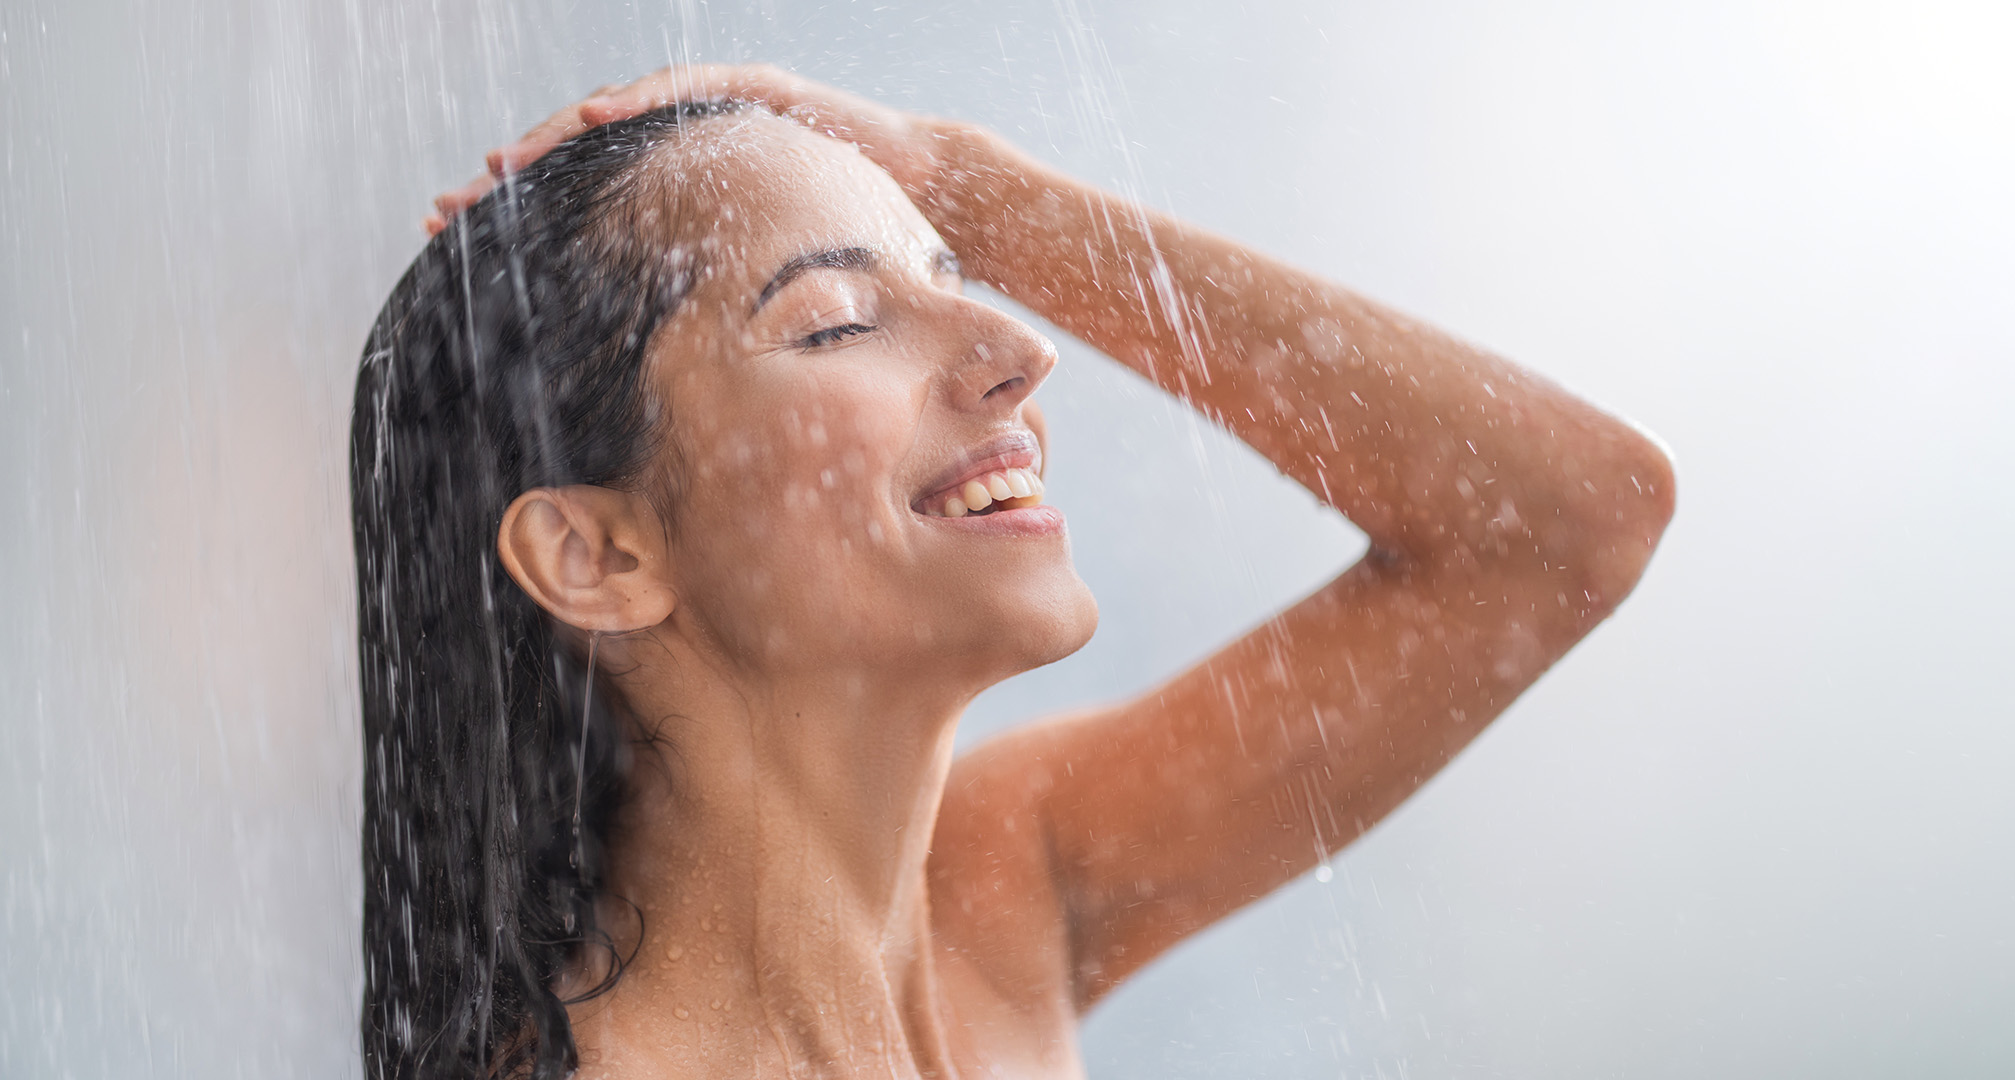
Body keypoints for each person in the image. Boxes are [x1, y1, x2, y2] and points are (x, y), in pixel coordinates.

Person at [354, 64, 1674, 1080]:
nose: (1020, 345)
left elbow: (1562, 528)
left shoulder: (998, 892)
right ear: (598, 554)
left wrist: (976, 187)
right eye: (834, 322)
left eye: (957, 268)